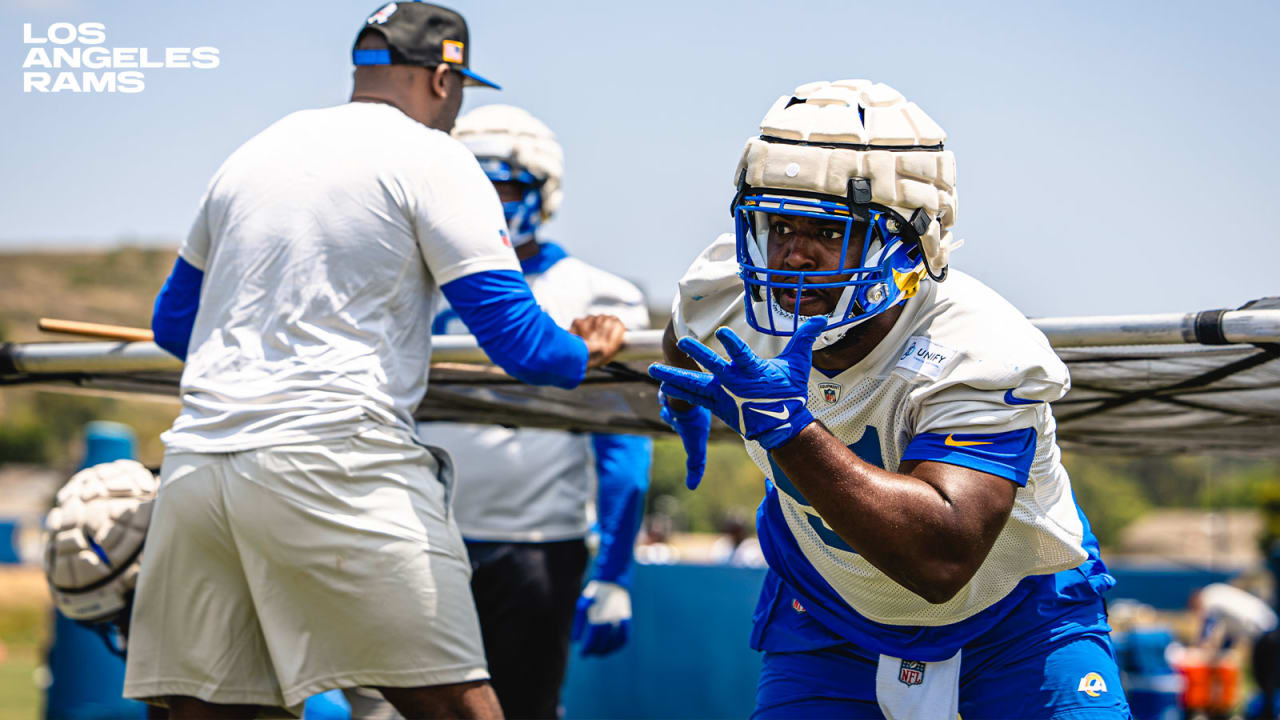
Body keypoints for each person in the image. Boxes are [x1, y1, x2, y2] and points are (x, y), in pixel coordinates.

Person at [123, 4, 627, 718]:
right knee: (458, 707)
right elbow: (526, 348)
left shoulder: (256, 151)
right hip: (336, 459)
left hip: (200, 466)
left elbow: (175, 327)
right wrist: (588, 348)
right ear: (444, 78)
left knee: (215, 711)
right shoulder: (432, 156)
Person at [649, 79, 1129, 719]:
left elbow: (943, 556)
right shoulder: (728, 294)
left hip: (1013, 610)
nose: (791, 253)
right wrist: (684, 395)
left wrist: (788, 431)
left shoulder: (978, 345)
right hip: (828, 609)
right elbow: (684, 333)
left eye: (825, 228)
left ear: (912, 241)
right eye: (777, 224)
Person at [347, 104, 652, 720]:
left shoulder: (597, 293)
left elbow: (623, 446)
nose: (491, 200)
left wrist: (615, 569)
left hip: (534, 547)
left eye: (507, 185)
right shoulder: (410, 281)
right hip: (416, 534)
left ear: (546, 192)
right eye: (476, 183)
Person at [1189, 583, 1280, 718]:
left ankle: (1268, 714)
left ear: (1196, 599)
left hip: (1266, 634)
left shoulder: (1209, 596)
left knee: (1265, 679)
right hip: (1268, 630)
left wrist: (1198, 648)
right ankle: (1267, 713)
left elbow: (1209, 626)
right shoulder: (1221, 598)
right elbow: (1230, 632)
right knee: (1264, 680)